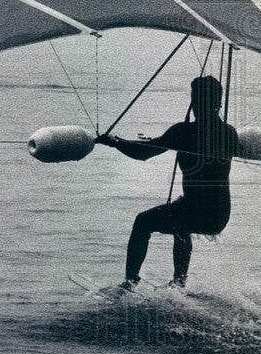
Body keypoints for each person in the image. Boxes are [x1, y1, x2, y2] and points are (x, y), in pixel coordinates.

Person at [95, 75, 240, 291]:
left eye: (199, 100)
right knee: (180, 220)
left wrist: (116, 142)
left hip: (199, 211)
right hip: (219, 215)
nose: (195, 106)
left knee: (143, 222)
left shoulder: (184, 131)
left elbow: (143, 153)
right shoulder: (229, 132)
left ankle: (130, 282)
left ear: (207, 103)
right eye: (195, 100)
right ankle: (179, 281)